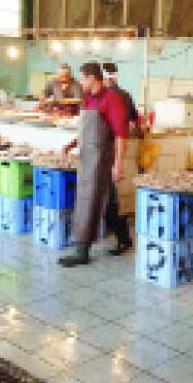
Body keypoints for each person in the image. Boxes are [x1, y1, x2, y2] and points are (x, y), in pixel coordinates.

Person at [58, 62, 128, 268]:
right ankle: (124, 237)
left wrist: (118, 164)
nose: (80, 82)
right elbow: (85, 129)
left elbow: (120, 135)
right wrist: (72, 144)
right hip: (86, 157)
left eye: (82, 78)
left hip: (101, 160)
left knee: (90, 200)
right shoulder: (88, 99)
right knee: (105, 200)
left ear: (92, 78)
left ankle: (82, 251)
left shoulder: (111, 100)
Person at [102, 62, 138, 256]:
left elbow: (123, 129)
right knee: (111, 198)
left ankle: (123, 239)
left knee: (112, 198)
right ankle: (122, 237)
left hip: (113, 152)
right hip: (109, 152)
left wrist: (118, 161)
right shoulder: (121, 95)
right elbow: (134, 120)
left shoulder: (114, 97)